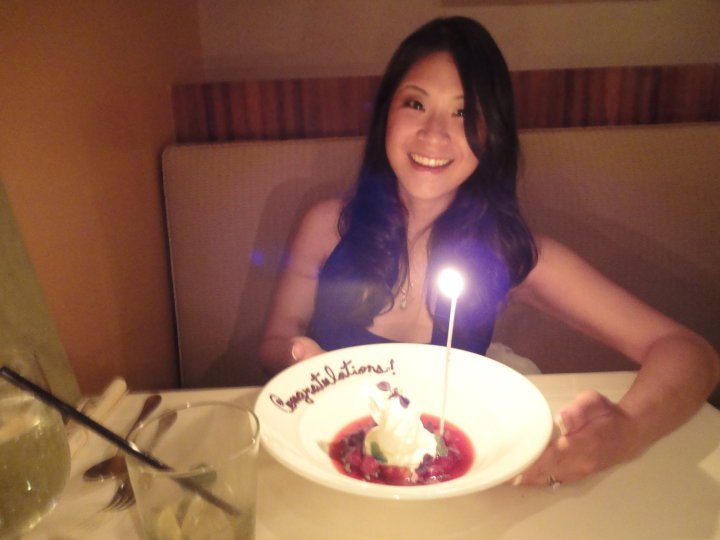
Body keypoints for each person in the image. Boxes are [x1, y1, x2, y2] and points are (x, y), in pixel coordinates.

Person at [259, 16, 720, 486]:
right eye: (416, 103)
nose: (434, 133)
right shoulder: (327, 226)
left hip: (448, 480)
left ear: (493, 131)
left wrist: (628, 432)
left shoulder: (508, 251)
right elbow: (277, 338)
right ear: (386, 115)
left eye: (464, 113)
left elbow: (690, 353)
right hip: (326, 465)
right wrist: (303, 361)